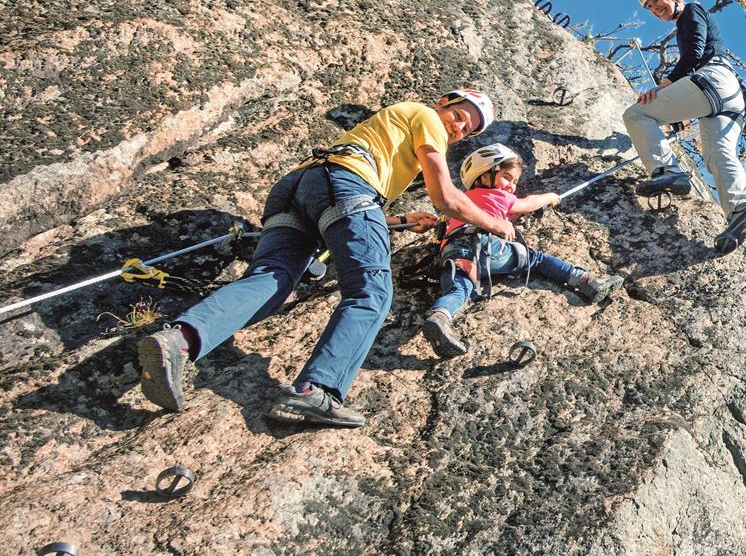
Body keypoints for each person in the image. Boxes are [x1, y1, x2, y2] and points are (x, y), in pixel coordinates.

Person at [136, 90, 507, 427]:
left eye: (467, 130)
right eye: (460, 116)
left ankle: (179, 340)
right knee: (371, 292)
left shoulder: (390, 130)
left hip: (301, 188)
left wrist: (398, 220)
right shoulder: (426, 117)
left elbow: (341, 208)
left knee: (273, 279)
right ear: (444, 102)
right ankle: (317, 391)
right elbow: (445, 198)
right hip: (347, 186)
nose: (458, 129)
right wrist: (496, 224)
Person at [421, 144, 623, 357]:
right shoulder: (496, 195)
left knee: (459, 288)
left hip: (455, 252)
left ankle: (440, 316)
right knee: (535, 259)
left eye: (515, 181)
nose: (511, 186)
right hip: (486, 245)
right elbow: (525, 204)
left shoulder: (460, 202)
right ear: (483, 177)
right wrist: (549, 197)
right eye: (507, 177)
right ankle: (585, 281)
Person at [622, 0, 746, 254]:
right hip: (731, 99)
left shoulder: (691, 12)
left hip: (713, 79)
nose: (655, 8)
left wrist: (664, 87)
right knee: (716, 154)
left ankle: (667, 171)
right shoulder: (686, 19)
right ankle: (741, 210)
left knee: (637, 114)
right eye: (649, 6)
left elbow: (695, 52)